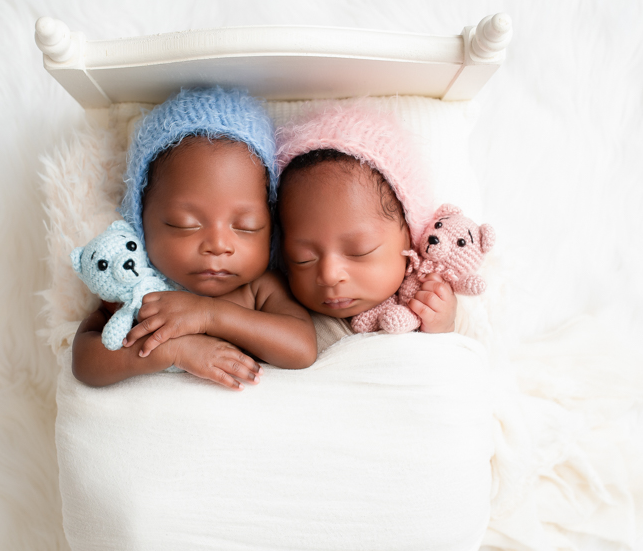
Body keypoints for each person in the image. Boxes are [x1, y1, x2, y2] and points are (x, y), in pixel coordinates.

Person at [72, 88, 316, 390]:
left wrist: (209, 315)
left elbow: (302, 348)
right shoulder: (138, 290)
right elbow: (85, 361)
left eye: (246, 226)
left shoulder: (260, 289)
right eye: (184, 224)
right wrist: (172, 350)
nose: (218, 244)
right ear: (139, 217)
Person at [274, 104, 464, 351]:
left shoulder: (432, 299)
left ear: (410, 237)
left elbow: (460, 366)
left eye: (359, 251)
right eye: (303, 259)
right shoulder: (281, 310)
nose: (330, 275)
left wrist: (443, 327)